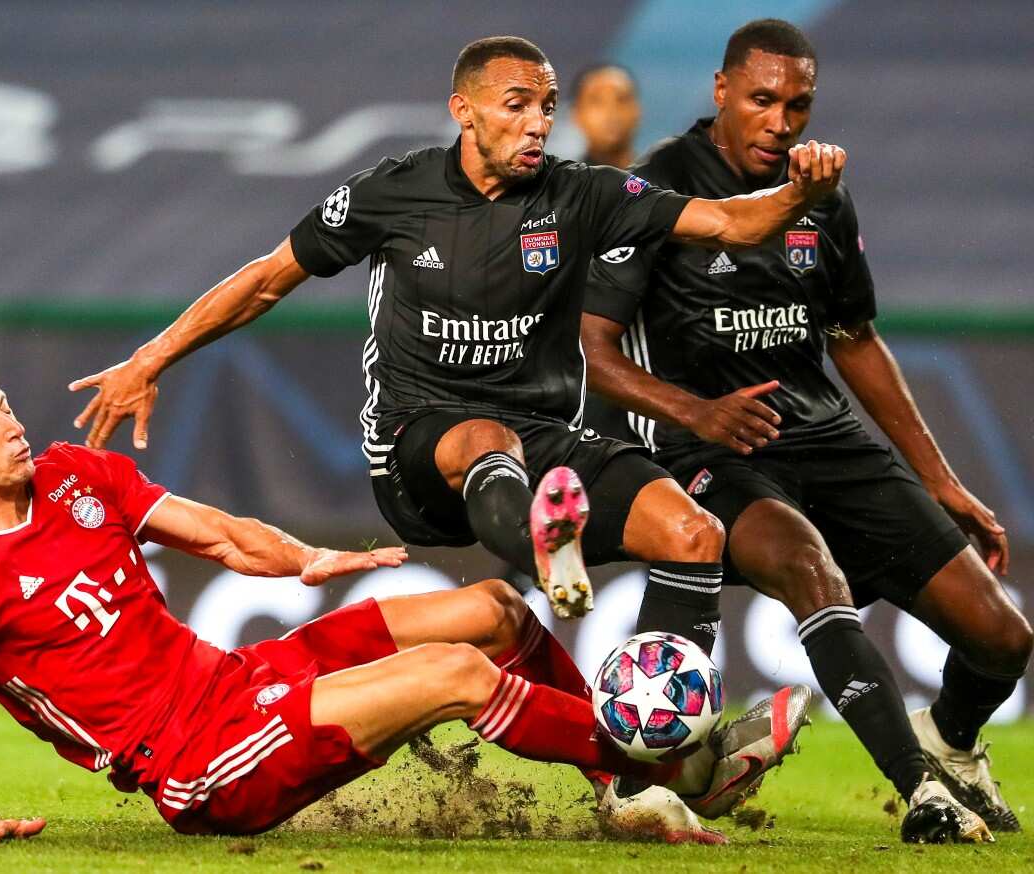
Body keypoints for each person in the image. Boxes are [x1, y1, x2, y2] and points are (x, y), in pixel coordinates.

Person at [68, 36, 846, 674]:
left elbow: (730, 223)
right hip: (416, 442)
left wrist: (799, 195)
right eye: (517, 107)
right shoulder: (392, 193)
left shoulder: (583, 195)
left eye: (545, 107)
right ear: (463, 112)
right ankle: (550, 544)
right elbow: (268, 280)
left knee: (692, 532)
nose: (538, 124)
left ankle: (666, 738)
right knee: (487, 440)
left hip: (544, 437)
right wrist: (152, 357)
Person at [0, 350, 804, 842]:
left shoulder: (74, 475)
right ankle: (663, 771)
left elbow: (217, 533)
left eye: (4, 405)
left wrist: (302, 557)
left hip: (238, 679)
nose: (11, 426)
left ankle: (619, 781)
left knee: (491, 609)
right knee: (454, 673)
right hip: (198, 761)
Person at [581, 18, 1030, 845]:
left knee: (1003, 639)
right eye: (761, 100)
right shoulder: (654, 193)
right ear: (720, 93)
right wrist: (697, 412)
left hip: (826, 440)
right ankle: (922, 792)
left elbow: (854, 339)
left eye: (798, 104)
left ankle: (952, 747)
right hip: (713, 454)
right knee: (808, 568)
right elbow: (597, 354)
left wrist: (938, 477)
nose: (781, 122)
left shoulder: (820, 192)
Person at [571, 63, 641, 169]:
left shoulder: (665, 182)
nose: (611, 112)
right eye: (597, 101)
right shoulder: (564, 184)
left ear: (636, 110)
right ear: (577, 114)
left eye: (621, 99)